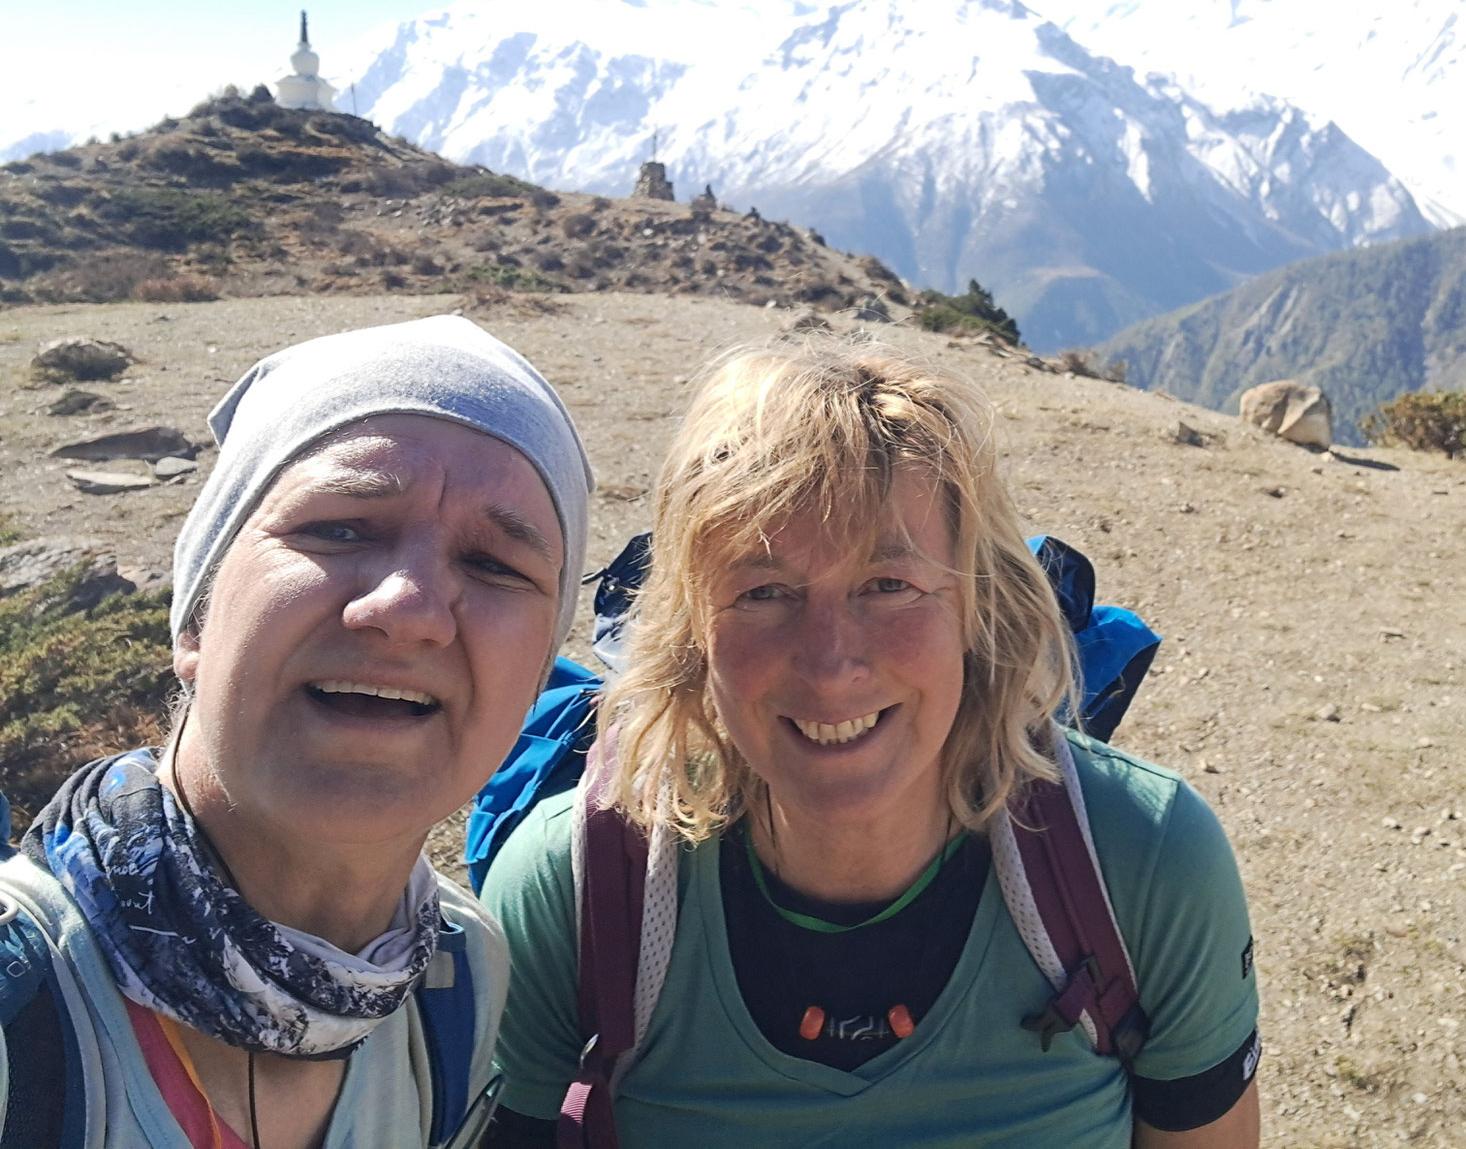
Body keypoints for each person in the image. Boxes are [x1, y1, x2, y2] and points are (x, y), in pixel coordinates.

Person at [483, 341, 1260, 1147]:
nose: (830, 663)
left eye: (889, 585)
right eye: (764, 592)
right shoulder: (571, 890)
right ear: (691, 634)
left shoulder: (1146, 862)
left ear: (976, 609)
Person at [0, 314, 593, 1149]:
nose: (408, 609)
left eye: (496, 564)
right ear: (196, 616)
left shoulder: (457, 977)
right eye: (340, 527)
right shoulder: (19, 1003)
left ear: (534, 679)